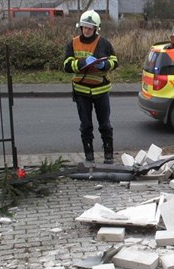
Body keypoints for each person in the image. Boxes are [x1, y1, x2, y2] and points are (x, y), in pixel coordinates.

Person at [63, 10, 118, 164]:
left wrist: (104, 64)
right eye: (84, 27)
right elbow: (66, 65)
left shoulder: (104, 43)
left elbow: (115, 61)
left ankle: (108, 155)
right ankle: (89, 156)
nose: (86, 30)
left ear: (96, 29)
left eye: (90, 28)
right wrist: (81, 63)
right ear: (80, 27)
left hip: (101, 91)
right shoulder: (73, 43)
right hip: (81, 91)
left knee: (105, 125)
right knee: (86, 126)